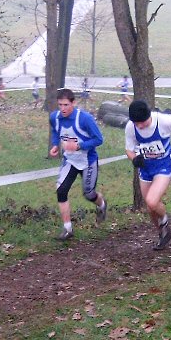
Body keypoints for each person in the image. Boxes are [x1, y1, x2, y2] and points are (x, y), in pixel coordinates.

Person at [125, 99, 171, 251]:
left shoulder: (163, 121)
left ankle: (164, 220)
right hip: (146, 168)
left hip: (163, 166)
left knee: (152, 201)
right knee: (150, 208)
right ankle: (162, 234)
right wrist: (134, 159)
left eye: (143, 122)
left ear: (149, 116)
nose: (140, 126)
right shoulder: (131, 127)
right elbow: (129, 149)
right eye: (137, 123)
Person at [48, 88, 107, 240]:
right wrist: (55, 145)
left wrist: (79, 146)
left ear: (73, 103)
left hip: (88, 161)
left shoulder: (84, 119)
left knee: (89, 194)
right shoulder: (55, 117)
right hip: (70, 161)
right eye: (60, 105)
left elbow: (99, 139)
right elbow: (55, 131)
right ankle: (68, 229)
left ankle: (102, 204)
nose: (63, 109)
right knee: (61, 191)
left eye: (66, 105)